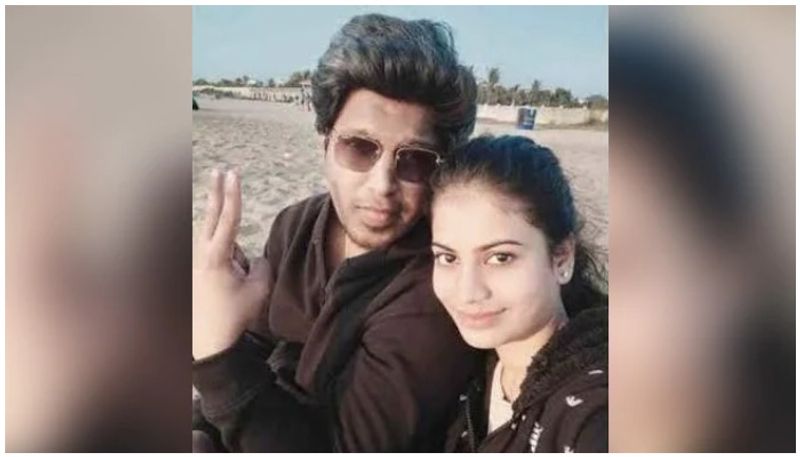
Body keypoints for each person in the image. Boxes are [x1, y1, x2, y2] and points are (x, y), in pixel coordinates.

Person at [192, 14, 479, 452]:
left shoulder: (435, 288)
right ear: (325, 143)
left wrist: (215, 353)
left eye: (415, 159)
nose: (382, 185)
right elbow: (259, 346)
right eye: (360, 147)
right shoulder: (295, 225)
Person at [429, 136, 608, 452]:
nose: (468, 291)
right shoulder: (471, 368)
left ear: (562, 259)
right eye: (448, 257)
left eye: (500, 257)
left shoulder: (594, 413)